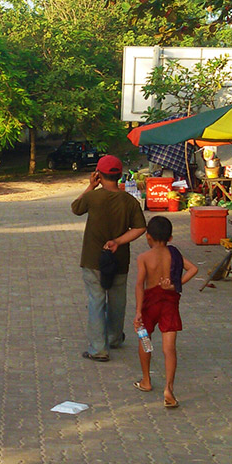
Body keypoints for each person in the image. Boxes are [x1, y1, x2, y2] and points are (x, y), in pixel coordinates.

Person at [71, 154, 147, 362]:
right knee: (117, 300)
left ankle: (98, 349)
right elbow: (140, 228)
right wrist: (119, 242)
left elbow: (75, 208)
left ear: (99, 175)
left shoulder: (92, 197)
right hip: (119, 259)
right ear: (120, 176)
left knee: (96, 301)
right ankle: (114, 338)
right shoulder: (129, 201)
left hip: (93, 259)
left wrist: (90, 187)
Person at [132, 216, 198, 409]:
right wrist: (176, 285)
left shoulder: (143, 258)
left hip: (149, 304)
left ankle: (146, 380)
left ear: (148, 236)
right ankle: (169, 388)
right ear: (170, 237)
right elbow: (193, 269)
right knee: (169, 348)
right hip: (169, 303)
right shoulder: (173, 254)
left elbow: (139, 284)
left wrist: (137, 311)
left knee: (145, 339)